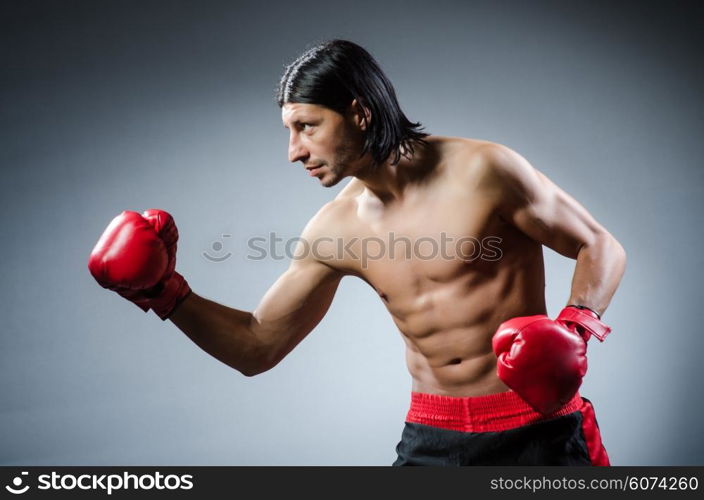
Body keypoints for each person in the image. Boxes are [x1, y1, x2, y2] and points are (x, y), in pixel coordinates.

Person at [88, 39, 626, 466]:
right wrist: (166, 293)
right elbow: (257, 346)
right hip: (433, 439)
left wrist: (575, 328)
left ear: (359, 112)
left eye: (306, 127)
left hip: (539, 428)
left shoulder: (485, 171)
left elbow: (598, 245)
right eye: (289, 131)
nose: (294, 151)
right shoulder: (334, 230)